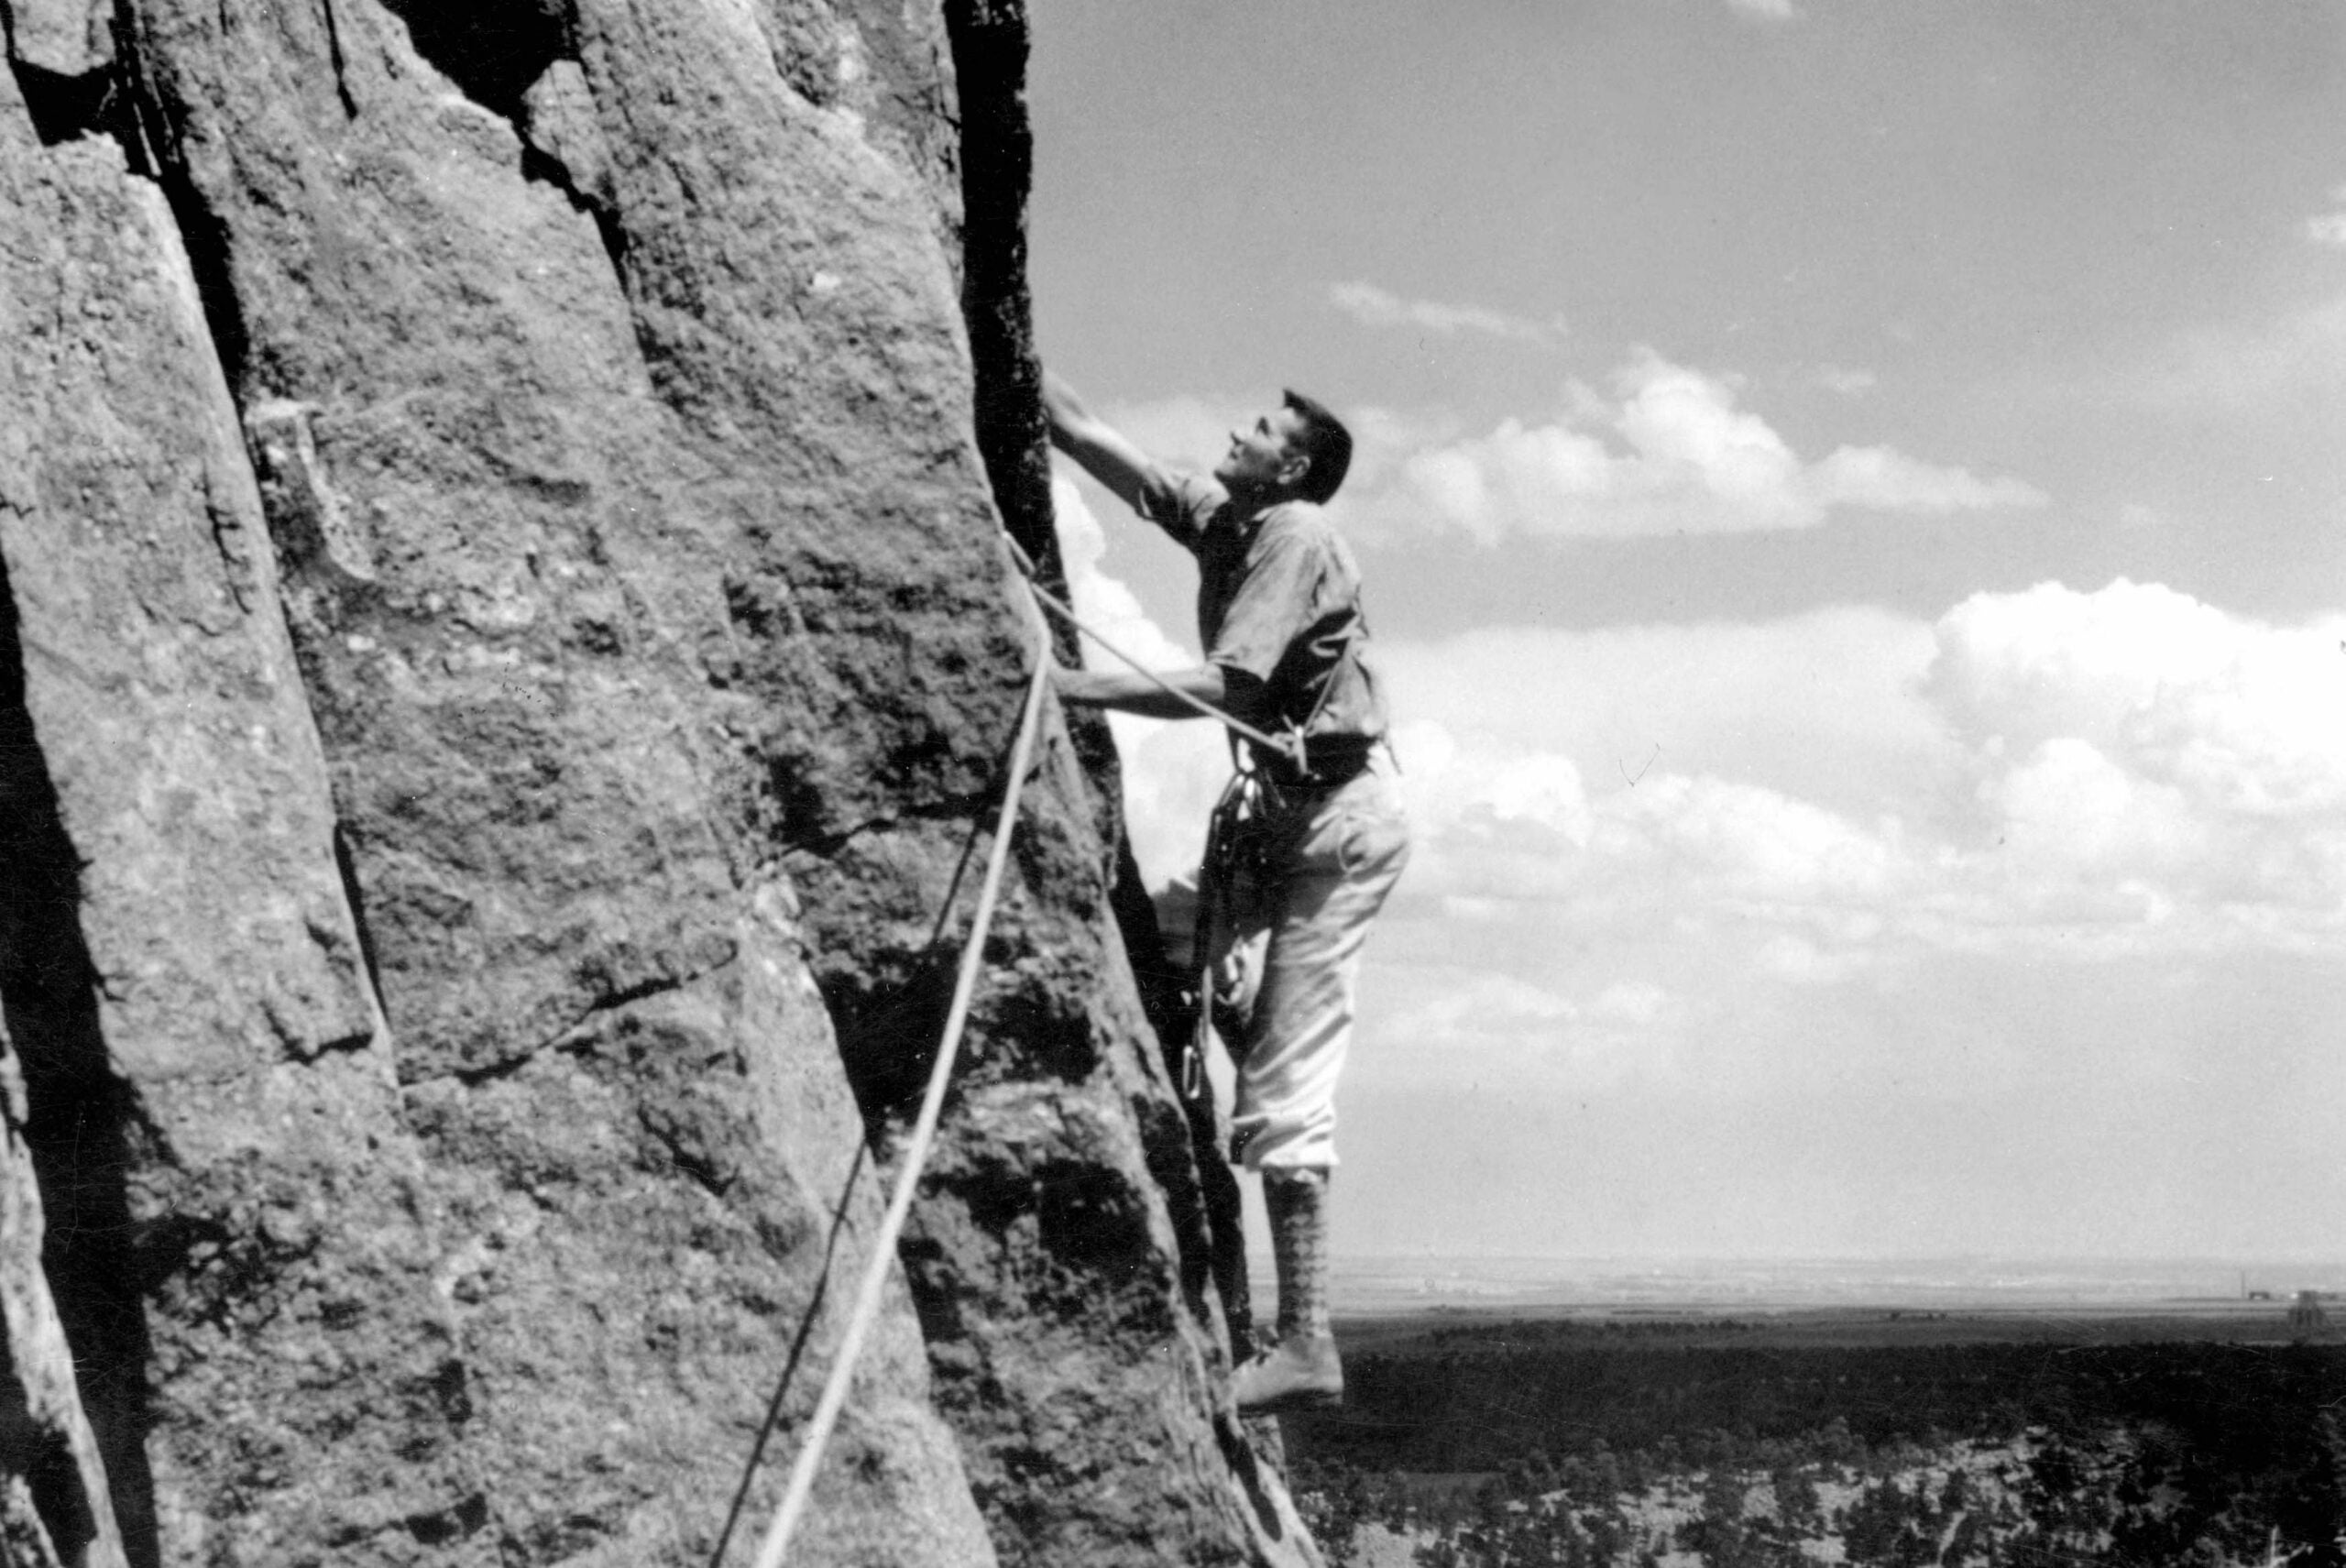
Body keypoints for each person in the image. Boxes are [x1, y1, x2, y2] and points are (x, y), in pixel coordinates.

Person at [1042, 369, 1410, 1413]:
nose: (1236, 432)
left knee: (1288, 1090)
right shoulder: (1235, 517)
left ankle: (1307, 1344)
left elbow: (1226, 689)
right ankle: (1248, 1015)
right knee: (1159, 942)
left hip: (1335, 827)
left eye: (1259, 429)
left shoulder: (1290, 534)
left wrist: (1062, 685)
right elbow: (1095, 437)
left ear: (1291, 466)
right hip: (1287, 813)